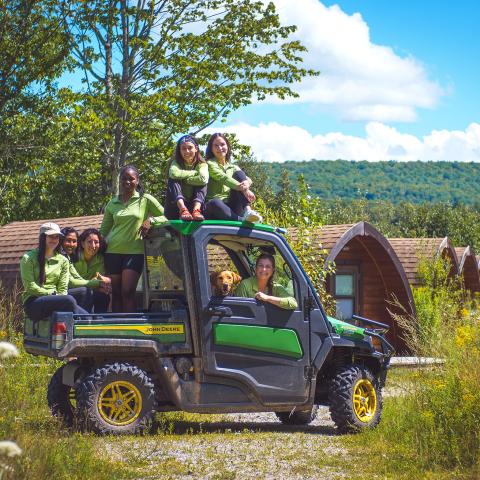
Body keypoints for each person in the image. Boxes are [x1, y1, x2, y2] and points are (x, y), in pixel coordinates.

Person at [100, 165, 167, 312]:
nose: (127, 182)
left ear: (137, 180)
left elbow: (167, 216)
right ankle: (118, 328)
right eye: (124, 179)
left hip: (134, 252)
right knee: (116, 293)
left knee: (128, 291)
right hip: (113, 252)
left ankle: (130, 325)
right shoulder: (112, 203)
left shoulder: (145, 199)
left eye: (131, 179)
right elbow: (104, 230)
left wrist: (151, 221)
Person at [20, 222, 88, 321]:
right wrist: (50, 294)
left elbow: (63, 288)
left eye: (57, 237)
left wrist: (58, 296)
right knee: (69, 300)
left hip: (57, 299)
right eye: (51, 236)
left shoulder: (63, 260)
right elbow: (30, 287)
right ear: (43, 237)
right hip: (34, 303)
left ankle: (94, 324)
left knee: (85, 295)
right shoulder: (28, 258)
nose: (54, 240)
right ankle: (81, 328)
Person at [204, 133, 262, 223]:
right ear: (211, 149)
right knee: (214, 202)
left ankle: (247, 210)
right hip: (216, 208)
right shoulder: (209, 164)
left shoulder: (232, 166)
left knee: (239, 174)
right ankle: (241, 220)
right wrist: (244, 189)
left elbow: (249, 179)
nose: (220, 148)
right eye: (216, 146)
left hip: (232, 206)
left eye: (222, 144)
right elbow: (223, 178)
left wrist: (246, 186)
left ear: (227, 146)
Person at [165, 135, 208, 221]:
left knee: (202, 183)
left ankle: (196, 210)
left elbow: (203, 178)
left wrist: (184, 179)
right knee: (173, 179)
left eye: (190, 148)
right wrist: (194, 173)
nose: (187, 151)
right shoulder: (176, 162)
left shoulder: (202, 164)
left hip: (194, 202)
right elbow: (173, 173)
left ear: (196, 148)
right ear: (180, 150)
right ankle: (183, 209)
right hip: (176, 204)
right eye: (183, 148)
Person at [74, 228, 111, 313]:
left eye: (96, 242)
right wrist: (96, 284)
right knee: (86, 293)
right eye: (89, 242)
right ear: (83, 244)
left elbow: (99, 279)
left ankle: (99, 321)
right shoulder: (74, 257)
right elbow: (72, 282)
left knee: (103, 294)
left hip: (90, 291)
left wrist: (102, 287)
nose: (93, 245)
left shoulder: (100, 259)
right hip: (74, 291)